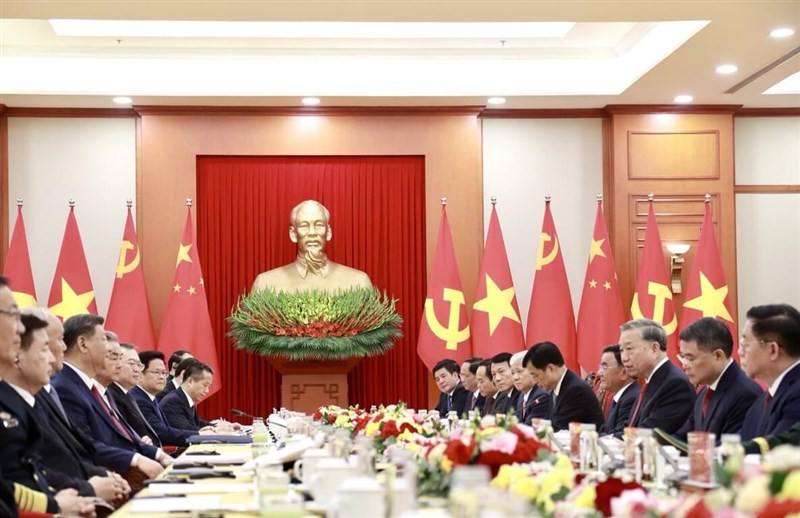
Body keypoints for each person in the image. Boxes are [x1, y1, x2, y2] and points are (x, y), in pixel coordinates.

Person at [0, 284, 96, 517]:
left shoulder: (24, 401)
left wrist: (55, 503)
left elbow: (31, 473)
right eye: (12, 313)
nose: (20, 327)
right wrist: (54, 507)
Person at [51, 314, 166, 479]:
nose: (107, 348)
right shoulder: (64, 387)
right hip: (104, 478)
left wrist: (158, 455)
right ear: (83, 344)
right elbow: (84, 445)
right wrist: (137, 459)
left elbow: (124, 435)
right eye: (103, 340)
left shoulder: (93, 388)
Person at [251, 200, 372, 292]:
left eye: (318, 225)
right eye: (304, 225)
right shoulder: (265, 284)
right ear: (293, 234)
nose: (312, 232)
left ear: (328, 232)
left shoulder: (359, 283)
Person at [676, 317, 761, 439]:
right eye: (683, 357)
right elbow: (684, 437)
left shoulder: (745, 393)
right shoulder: (704, 393)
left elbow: (731, 448)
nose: (684, 365)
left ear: (718, 356)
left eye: (690, 358)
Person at [619, 319, 695, 434]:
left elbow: (649, 435)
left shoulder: (675, 384)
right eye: (621, 350)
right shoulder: (649, 381)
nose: (624, 358)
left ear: (654, 349)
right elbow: (631, 428)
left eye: (629, 349)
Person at [739, 304, 800, 441]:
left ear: (772, 349)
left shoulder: (796, 395)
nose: (739, 352)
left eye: (745, 345)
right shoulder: (759, 404)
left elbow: (781, 455)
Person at [524, 341, 603, 431]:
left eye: (536, 375)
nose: (534, 381)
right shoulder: (555, 389)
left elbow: (559, 429)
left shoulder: (575, 390)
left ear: (550, 368)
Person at [130, 351, 198, 445]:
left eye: (164, 373)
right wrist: (200, 435)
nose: (162, 377)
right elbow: (162, 433)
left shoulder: (150, 397)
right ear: (140, 375)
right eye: (157, 372)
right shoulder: (139, 400)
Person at [108, 341, 161, 446]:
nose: (137, 370)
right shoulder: (111, 396)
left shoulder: (127, 395)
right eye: (131, 363)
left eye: (139, 365)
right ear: (116, 363)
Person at [160, 361, 215, 432]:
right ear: (190, 381)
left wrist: (217, 426)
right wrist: (215, 431)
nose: (207, 391)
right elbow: (186, 430)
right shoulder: (173, 401)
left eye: (209, 387)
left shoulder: (186, 398)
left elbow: (197, 423)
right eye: (205, 385)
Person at [597, 344, 639, 437]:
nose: (599, 373)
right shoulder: (621, 395)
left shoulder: (632, 398)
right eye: (600, 367)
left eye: (604, 367)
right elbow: (606, 430)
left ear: (624, 372)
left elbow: (621, 436)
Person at [510, 351, 550, 424]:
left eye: (519, 371)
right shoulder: (522, 395)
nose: (515, 377)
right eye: (512, 373)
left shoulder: (541, 397)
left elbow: (530, 428)